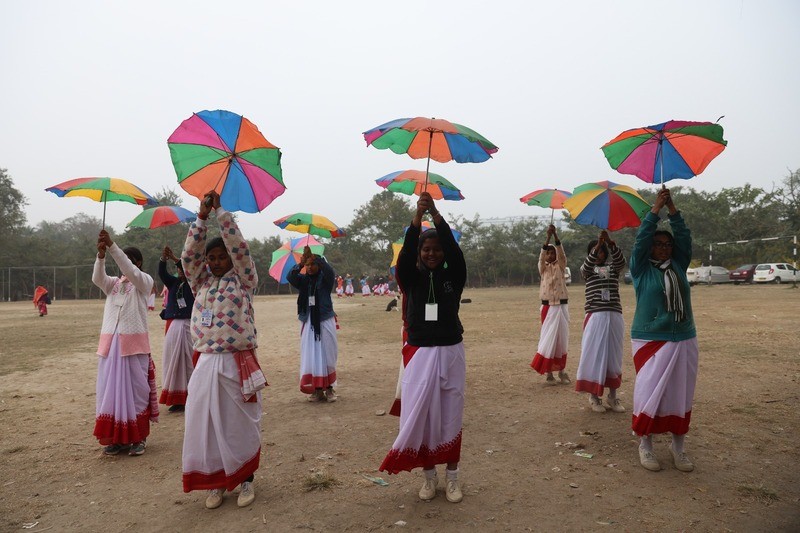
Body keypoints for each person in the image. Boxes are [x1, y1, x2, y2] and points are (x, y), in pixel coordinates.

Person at [180, 191, 266, 509]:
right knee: (204, 423)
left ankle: (245, 480)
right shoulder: (199, 282)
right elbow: (188, 258)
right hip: (205, 360)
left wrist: (221, 213)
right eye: (211, 258)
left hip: (237, 360)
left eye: (221, 257)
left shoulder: (245, 280)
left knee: (238, 422)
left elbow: (240, 248)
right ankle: (215, 482)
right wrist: (201, 218)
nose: (216, 262)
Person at [380, 192, 467, 504]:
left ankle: (453, 478)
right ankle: (429, 478)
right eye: (426, 250)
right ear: (419, 253)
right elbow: (403, 258)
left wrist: (437, 215)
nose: (432, 254)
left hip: (451, 350)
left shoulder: (454, 277)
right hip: (418, 353)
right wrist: (417, 219)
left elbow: (456, 254)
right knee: (424, 416)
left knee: (451, 413)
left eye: (437, 249)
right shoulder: (410, 277)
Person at [629, 188, 697, 473]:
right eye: (658, 244)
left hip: (683, 337)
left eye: (667, 244)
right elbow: (641, 240)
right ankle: (645, 445)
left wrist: (673, 209)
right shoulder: (641, 270)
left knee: (680, 393)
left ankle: (678, 448)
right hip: (650, 338)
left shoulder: (679, 266)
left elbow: (684, 238)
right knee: (649, 393)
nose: (664, 248)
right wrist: (654, 210)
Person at [92, 231, 158, 457]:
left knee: (136, 392)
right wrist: (101, 257)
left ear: (137, 263)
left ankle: (139, 438)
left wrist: (111, 246)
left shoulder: (144, 282)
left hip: (134, 347)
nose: (124, 266)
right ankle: (118, 440)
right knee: (110, 393)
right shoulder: (114, 284)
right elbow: (97, 279)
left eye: (129, 261)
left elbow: (129, 269)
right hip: (111, 347)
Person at [575, 230, 627, 413]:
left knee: (613, 356)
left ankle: (613, 396)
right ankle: (594, 397)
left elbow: (621, 262)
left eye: (601, 252)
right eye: (594, 252)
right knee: (594, 355)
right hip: (595, 316)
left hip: (614, 315)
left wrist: (611, 244)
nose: (598, 255)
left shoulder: (612, 269)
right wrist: (597, 244)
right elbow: (587, 266)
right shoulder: (586, 271)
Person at [287, 246, 339, 402]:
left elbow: (330, 271)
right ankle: (317, 390)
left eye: (312, 264)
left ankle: (329, 389)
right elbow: (291, 277)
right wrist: (300, 264)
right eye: (307, 265)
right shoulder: (303, 280)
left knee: (327, 352)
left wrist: (319, 259)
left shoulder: (326, 279)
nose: (309, 268)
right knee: (311, 354)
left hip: (324, 319)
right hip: (308, 320)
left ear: (318, 265)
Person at [530, 224, 571, 385]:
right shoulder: (543, 268)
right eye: (548, 252)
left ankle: (561, 371)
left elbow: (562, 255)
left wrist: (556, 237)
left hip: (561, 306)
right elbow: (540, 257)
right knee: (548, 339)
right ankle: (548, 373)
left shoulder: (561, 267)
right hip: (547, 308)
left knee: (561, 339)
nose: (551, 254)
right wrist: (547, 238)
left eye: (553, 252)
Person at [158, 246, 195, 413]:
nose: (180, 272)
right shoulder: (173, 283)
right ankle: (177, 398)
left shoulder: (194, 284)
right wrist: (163, 259)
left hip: (189, 325)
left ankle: (191, 395)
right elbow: (162, 274)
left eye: (183, 269)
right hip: (174, 326)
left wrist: (174, 258)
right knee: (173, 361)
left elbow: (189, 269)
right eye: (178, 270)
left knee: (188, 361)